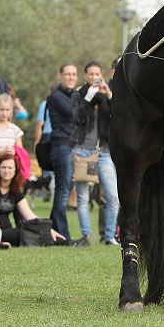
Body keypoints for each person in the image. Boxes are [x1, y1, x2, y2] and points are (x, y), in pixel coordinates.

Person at [70, 61, 120, 245]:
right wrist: (88, 96)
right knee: (83, 197)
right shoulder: (79, 94)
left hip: (103, 151)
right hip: (83, 150)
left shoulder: (104, 95)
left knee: (113, 196)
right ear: (85, 76)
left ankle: (109, 237)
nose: (94, 77)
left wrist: (108, 95)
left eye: (97, 73)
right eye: (91, 74)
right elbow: (78, 117)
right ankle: (87, 235)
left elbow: (119, 113)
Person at [0, 154, 67, 246]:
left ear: (15, 170)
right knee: (25, 233)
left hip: (8, 231)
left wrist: (48, 229)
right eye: (3, 167)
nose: (6, 171)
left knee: (34, 230)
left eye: (10, 168)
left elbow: (30, 215)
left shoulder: (15, 191)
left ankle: (65, 242)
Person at [49, 64, 78, 239]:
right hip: (61, 147)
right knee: (63, 190)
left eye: (74, 74)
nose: (71, 77)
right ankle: (62, 233)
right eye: (67, 74)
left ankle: (53, 231)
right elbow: (74, 113)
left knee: (65, 188)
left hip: (71, 146)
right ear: (60, 76)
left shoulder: (74, 95)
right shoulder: (57, 96)